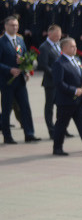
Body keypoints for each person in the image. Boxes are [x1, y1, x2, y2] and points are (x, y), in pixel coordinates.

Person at [1, 16, 39, 144]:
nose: (15, 27)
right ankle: (7, 136)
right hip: (7, 80)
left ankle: (29, 133)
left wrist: (26, 68)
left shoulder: (20, 40)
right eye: (12, 25)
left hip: (20, 80)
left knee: (25, 107)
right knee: (6, 109)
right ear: (5, 26)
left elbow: (25, 56)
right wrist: (9, 69)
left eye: (16, 25)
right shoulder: (1, 41)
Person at [37, 24, 66, 140]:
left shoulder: (59, 44)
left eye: (59, 36)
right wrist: (55, 74)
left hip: (61, 82)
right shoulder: (44, 47)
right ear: (49, 34)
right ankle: (51, 130)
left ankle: (62, 128)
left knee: (62, 106)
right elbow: (42, 65)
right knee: (49, 107)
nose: (58, 38)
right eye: (56, 36)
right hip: (51, 82)